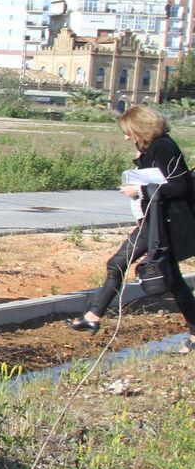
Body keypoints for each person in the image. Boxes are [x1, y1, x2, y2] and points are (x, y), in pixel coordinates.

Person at [67, 104, 195, 345]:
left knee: (117, 263)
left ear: (142, 128)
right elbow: (160, 178)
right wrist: (141, 161)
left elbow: (179, 186)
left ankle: (93, 316)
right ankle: (93, 316)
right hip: (157, 220)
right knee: (174, 280)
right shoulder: (155, 147)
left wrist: (139, 188)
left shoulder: (163, 147)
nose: (126, 137)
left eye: (129, 131)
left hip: (162, 223)